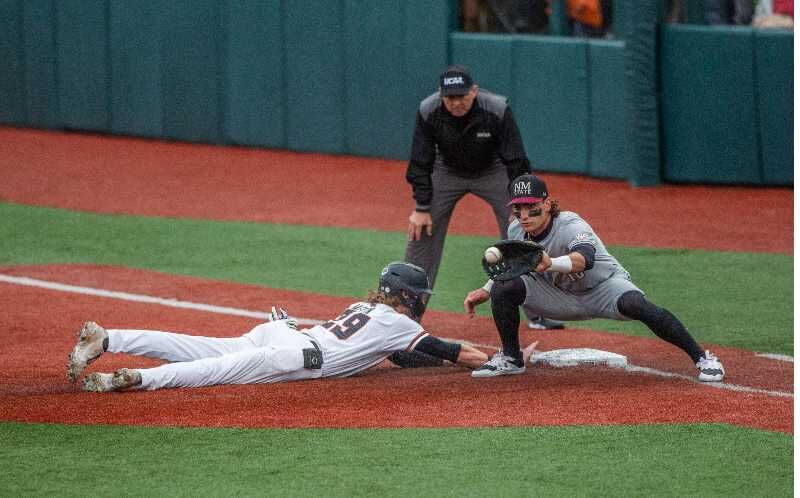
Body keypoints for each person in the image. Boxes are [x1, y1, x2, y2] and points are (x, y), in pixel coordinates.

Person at [66, 262, 510, 392]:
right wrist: (500, 357)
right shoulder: (396, 323)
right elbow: (453, 351)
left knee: (199, 348)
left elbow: (402, 356)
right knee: (212, 372)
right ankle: (134, 378)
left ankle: (109, 338)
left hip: (289, 334)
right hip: (298, 354)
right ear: (407, 296)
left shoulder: (366, 307)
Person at [463, 174, 726, 382]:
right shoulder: (516, 229)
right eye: (518, 208)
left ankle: (703, 358)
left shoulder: (570, 224)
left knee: (637, 305)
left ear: (546, 203)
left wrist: (551, 263)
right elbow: (511, 265)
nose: (523, 215)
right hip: (557, 297)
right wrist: (486, 288)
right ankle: (511, 358)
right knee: (503, 287)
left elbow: (584, 258)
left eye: (530, 207)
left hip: (602, 288)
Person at [404, 64, 562, 330]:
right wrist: (421, 206)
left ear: (474, 91)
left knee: (522, 230)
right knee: (421, 231)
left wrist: (521, 205)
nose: (455, 103)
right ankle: (405, 316)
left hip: (493, 170)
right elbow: (421, 160)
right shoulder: (428, 109)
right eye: (449, 97)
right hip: (446, 170)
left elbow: (516, 159)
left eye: (461, 96)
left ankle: (538, 312)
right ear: (440, 95)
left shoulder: (496, 109)